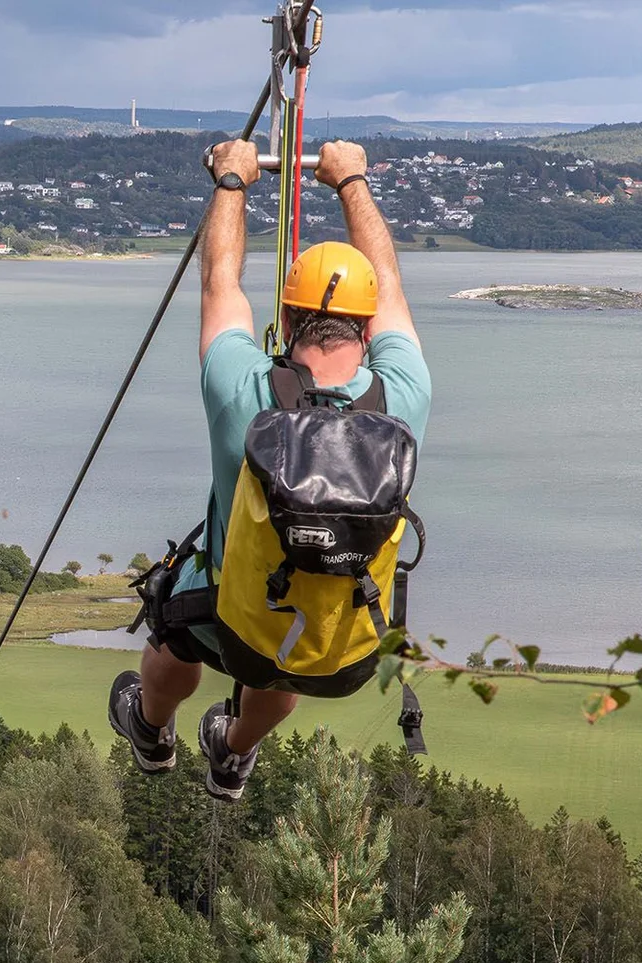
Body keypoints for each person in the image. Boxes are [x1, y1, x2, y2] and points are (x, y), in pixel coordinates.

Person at [108, 138, 432, 801]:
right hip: (350, 653)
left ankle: (151, 727)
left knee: (174, 625)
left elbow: (219, 284)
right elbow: (389, 283)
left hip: (241, 627)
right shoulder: (403, 397)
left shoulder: (241, 390)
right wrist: (352, 181)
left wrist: (232, 179)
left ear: (285, 320)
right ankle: (232, 753)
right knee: (281, 670)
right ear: (366, 332)